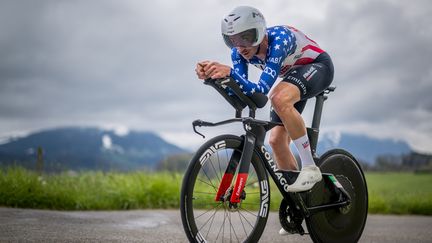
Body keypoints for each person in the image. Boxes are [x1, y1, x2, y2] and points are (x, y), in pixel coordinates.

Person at [195, 5, 333, 201]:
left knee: (278, 98)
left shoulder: (279, 41)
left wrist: (230, 73)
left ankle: (310, 167)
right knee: (276, 141)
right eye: (232, 41)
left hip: (318, 66)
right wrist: (213, 79)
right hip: (295, 75)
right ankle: (299, 204)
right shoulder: (239, 53)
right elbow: (244, 95)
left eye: (246, 38)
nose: (240, 47)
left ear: (260, 33)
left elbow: (260, 92)